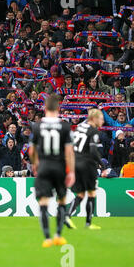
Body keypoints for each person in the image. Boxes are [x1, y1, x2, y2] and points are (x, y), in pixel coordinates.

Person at [29, 94, 75, 248]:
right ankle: (58, 236)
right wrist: (71, 172)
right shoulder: (65, 126)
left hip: (44, 167)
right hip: (60, 167)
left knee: (43, 202)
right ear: (58, 108)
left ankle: (47, 238)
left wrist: (35, 164)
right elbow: (69, 152)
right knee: (61, 201)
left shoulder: (37, 126)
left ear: (44, 108)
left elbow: (31, 150)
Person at [65, 109, 104, 230]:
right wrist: (102, 163)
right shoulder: (93, 131)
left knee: (81, 194)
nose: (102, 121)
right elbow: (93, 150)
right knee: (92, 193)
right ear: (94, 119)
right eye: (101, 118)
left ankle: (67, 216)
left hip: (75, 162)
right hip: (87, 163)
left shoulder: (80, 127)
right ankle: (88, 223)